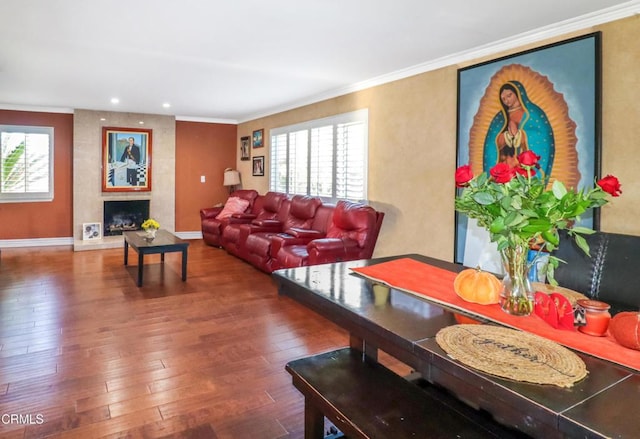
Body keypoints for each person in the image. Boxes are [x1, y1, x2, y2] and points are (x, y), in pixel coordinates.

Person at [483, 81, 555, 177]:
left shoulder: (533, 113)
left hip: (523, 166)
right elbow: (490, 143)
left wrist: (520, 135)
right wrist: (505, 137)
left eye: (509, 95)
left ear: (518, 93)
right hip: (506, 163)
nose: (507, 101)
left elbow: (543, 136)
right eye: (503, 99)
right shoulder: (499, 118)